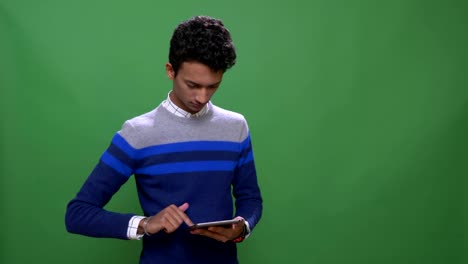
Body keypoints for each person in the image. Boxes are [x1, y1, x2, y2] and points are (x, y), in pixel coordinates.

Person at [65, 15, 263, 264]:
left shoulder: (236, 127)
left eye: (212, 86)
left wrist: (242, 226)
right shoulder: (138, 133)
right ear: (170, 70)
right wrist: (146, 224)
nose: (202, 97)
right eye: (192, 84)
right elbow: (77, 214)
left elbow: (251, 199)